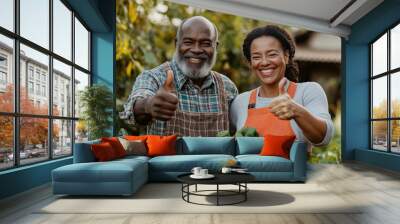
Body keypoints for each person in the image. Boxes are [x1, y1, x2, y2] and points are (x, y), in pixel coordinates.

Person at [121, 16, 238, 136]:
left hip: (219, 155)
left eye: (205, 43)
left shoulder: (227, 87)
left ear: (215, 47)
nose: (196, 50)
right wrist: (149, 105)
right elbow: (133, 109)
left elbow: (238, 132)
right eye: (188, 42)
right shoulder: (154, 78)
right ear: (176, 43)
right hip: (166, 155)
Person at [230, 25, 334, 150]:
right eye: (256, 57)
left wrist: (297, 111)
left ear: (286, 56)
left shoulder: (308, 91)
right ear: (250, 63)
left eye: (272, 54)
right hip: (248, 170)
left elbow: (324, 137)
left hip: (292, 170)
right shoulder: (240, 102)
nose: (264, 62)